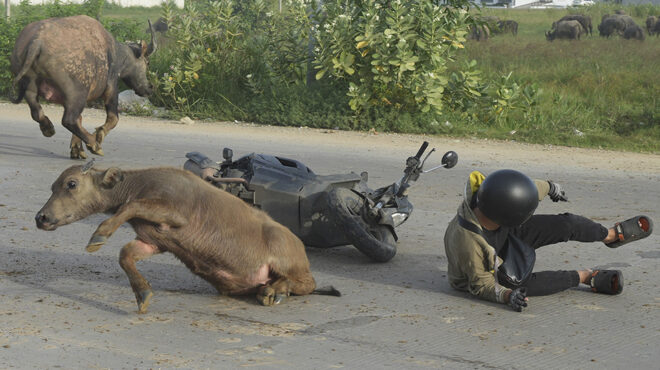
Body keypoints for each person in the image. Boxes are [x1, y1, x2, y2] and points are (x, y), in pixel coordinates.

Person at [444, 169, 653, 312]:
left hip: (504, 231)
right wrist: (508, 296)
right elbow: (482, 285)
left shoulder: (490, 193)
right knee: (519, 284)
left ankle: (610, 236)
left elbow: (524, 189)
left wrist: (550, 186)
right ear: (509, 216)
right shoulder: (469, 244)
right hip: (488, 266)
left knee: (566, 224)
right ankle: (585, 276)